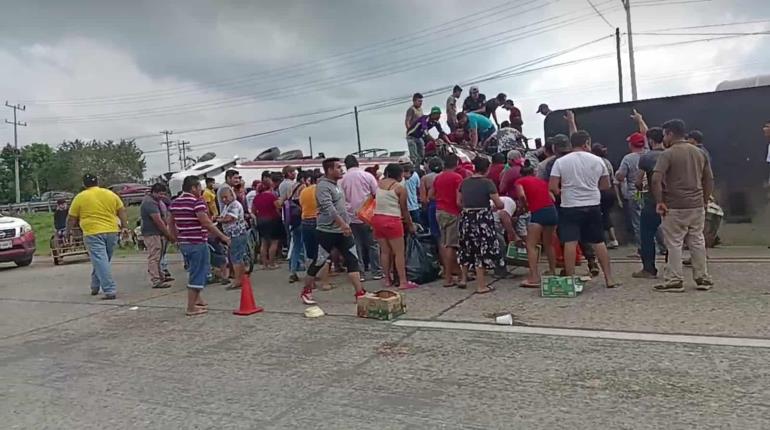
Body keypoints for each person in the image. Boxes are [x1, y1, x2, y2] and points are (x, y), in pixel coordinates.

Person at [548, 113, 619, 288]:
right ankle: (609, 278)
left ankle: (570, 280)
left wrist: (563, 192)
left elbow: (552, 187)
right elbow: (605, 185)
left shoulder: (561, 162)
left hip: (570, 206)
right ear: (587, 143)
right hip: (593, 205)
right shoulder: (598, 161)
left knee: (570, 242)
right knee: (598, 241)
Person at [651, 119, 714, 292]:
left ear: (670, 134)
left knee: (674, 243)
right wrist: (705, 200)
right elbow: (709, 178)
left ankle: (674, 279)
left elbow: (656, 179)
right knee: (697, 240)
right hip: (696, 205)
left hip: (675, 206)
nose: (664, 138)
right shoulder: (699, 153)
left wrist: (659, 202)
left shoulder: (668, 154)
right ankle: (702, 277)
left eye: (665, 134)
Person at [301, 158, 366, 305]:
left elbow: (341, 205)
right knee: (320, 260)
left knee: (352, 259)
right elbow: (328, 208)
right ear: (329, 170)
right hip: (327, 231)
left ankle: (359, 292)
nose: (341, 170)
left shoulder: (337, 185)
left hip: (343, 230)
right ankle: (306, 290)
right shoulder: (323, 187)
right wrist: (342, 224)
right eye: (338, 167)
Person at [169, 175, 231, 316]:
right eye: (199, 188)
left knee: (193, 270)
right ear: (194, 188)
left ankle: (197, 300)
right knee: (199, 273)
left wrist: (175, 239)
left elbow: (171, 223)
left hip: (185, 242)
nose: (201, 191)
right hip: (197, 242)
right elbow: (206, 222)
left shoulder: (175, 203)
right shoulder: (197, 202)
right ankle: (191, 307)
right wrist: (222, 236)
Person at [66, 174, 128, 300]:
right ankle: (95, 285)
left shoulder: (80, 197)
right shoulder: (110, 194)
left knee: (100, 260)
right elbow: (121, 210)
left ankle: (109, 290)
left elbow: (71, 218)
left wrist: (68, 231)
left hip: (92, 232)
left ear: (84, 184)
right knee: (102, 260)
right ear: (98, 182)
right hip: (112, 231)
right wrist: (125, 226)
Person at [458, 157, 503, 294]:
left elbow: (458, 202)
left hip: (466, 216)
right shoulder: (487, 183)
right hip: (482, 218)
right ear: (487, 168)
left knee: (466, 247)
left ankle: (463, 279)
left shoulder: (464, 183)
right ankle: (481, 285)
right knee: (481, 249)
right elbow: (499, 204)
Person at [372, 163, 419, 289]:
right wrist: (410, 225)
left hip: (377, 219)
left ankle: (386, 279)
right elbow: (404, 210)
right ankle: (403, 281)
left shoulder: (378, 184)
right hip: (392, 219)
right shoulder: (399, 188)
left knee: (385, 252)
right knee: (399, 252)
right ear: (399, 174)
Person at [339, 154, 382, 281]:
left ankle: (360, 273)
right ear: (357, 163)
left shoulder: (342, 180)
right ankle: (376, 271)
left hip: (350, 216)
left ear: (346, 166)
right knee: (373, 244)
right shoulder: (367, 176)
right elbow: (376, 194)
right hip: (368, 216)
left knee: (356, 245)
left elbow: (340, 199)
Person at [516, 160, 558, 287]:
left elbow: (521, 195)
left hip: (538, 212)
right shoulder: (542, 182)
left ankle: (534, 277)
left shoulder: (519, 182)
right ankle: (552, 271)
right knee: (549, 244)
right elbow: (553, 198)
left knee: (531, 245)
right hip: (551, 211)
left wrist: (524, 206)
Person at [633, 122, 666, 279]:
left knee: (647, 234)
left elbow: (638, 181)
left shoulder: (647, 157)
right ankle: (674, 265)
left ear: (651, 141)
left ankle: (649, 268)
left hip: (652, 201)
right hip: (673, 201)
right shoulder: (670, 154)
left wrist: (640, 191)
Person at [433, 153, 467, 288]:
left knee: (444, 242)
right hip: (452, 212)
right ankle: (449, 277)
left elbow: (431, 195)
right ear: (457, 164)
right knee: (451, 245)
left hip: (439, 211)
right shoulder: (457, 178)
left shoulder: (438, 178)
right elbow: (459, 200)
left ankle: (454, 274)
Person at [615, 131, 647, 256]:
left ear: (631, 144)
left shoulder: (628, 158)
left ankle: (641, 249)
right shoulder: (649, 155)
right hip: (651, 193)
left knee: (638, 221)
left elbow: (621, 176)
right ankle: (661, 246)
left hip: (636, 193)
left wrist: (618, 175)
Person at [140, 183, 175, 289]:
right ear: (154, 192)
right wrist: (168, 234)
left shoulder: (158, 201)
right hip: (151, 233)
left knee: (159, 256)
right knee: (154, 256)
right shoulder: (149, 203)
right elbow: (158, 220)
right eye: (160, 194)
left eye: (163, 194)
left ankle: (160, 275)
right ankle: (156, 279)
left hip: (157, 232)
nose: (162, 196)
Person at [277, 165, 305, 282]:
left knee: (294, 244)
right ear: (288, 173)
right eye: (293, 172)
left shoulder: (283, 185)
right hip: (301, 217)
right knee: (303, 245)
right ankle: (304, 268)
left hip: (290, 217)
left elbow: (281, 201)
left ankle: (293, 269)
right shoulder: (296, 186)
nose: (295, 173)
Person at [219, 187, 249, 290]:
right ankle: (241, 278)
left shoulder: (234, 205)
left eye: (226, 197)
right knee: (237, 257)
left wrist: (219, 220)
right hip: (233, 234)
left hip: (237, 235)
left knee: (235, 258)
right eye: (222, 198)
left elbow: (230, 218)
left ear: (232, 195)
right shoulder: (228, 206)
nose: (224, 199)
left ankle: (237, 280)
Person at [591, 143, 621, 249]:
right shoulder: (607, 162)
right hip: (610, 192)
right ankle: (612, 239)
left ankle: (602, 240)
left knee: (597, 216)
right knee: (606, 215)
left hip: (599, 192)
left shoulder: (594, 162)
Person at [251, 178, 282, 271]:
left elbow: (253, 210)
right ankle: (271, 263)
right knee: (274, 242)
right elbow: (278, 207)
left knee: (264, 242)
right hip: (272, 220)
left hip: (261, 220)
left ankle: (264, 264)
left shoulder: (257, 197)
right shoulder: (272, 196)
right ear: (270, 186)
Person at [421, 157, 443, 240]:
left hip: (432, 206)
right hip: (447, 206)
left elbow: (423, 199)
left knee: (436, 235)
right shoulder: (446, 176)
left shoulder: (425, 178)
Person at [405, 93, 425, 164]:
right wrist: (410, 131)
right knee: (414, 154)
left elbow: (423, 120)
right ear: (414, 101)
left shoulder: (420, 109)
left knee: (422, 151)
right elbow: (407, 121)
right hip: (412, 135)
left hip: (419, 134)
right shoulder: (411, 109)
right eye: (419, 101)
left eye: (421, 101)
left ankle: (420, 165)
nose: (420, 103)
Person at [400, 160, 421, 224]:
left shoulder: (415, 175)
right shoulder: (399, 178)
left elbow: (418, 188)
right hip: (404, 207)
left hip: (413, 205)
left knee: (417, 224)